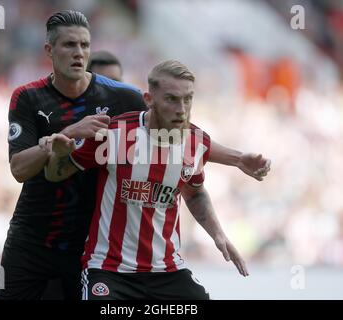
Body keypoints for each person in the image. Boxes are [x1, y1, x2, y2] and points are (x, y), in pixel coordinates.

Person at [0, 10, 269, 300]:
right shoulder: (28, 97)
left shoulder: (122, 97)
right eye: (69, 45)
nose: (79, 53)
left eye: (84, 45)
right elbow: (19, 169)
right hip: (35, 234)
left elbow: (176, 128)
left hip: (86, 241)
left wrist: (238, 158)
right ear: (49, 50)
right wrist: (69, 134)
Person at [44, 60, 251, 300]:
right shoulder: (115, 134)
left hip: (168, 271)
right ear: (149, 99)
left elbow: (194, 192)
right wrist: (61, 150)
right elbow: (54, 173)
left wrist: (218, 235)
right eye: (172, 99)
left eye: (188, 99)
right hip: (111, 270)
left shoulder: (195, 142)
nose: (182, 109)